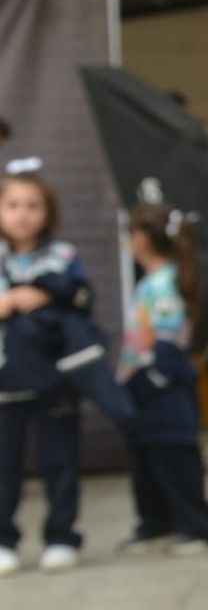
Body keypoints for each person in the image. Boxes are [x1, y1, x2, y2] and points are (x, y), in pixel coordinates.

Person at [0, 166, 122, 575]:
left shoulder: (63, 257)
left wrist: (47, 294)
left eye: (33, 206)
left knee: (61, 462)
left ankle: (61, 536)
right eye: (13, 205)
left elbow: (83, 302)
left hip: (57, 379)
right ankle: (4, 540)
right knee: (4, 468)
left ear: (47, 212)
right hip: (6, 383)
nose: (22, 214)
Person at [115, 203, 208, 557]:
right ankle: (155, 523)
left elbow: (168, 339)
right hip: (141, 383)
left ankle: (195, 526)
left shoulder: (164, 285)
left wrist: (155, 376)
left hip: (161, 385)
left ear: (141, 239)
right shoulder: (151, 283)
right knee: (146, 457)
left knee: (173, 456)